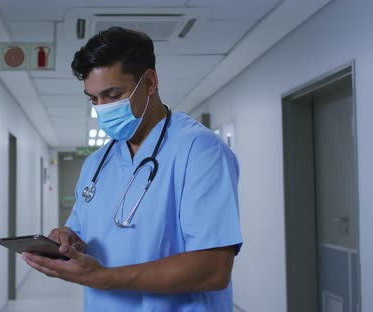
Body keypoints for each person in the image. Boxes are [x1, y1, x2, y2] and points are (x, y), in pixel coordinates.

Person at [22, 26, 242, 311]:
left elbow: (213, 269)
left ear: (150, 82)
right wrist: (68, 239)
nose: (102, 108)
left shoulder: (200, 151)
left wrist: (104, 278)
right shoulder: (96, 163)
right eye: (93, 99)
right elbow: (83, 232)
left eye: (113, 95)